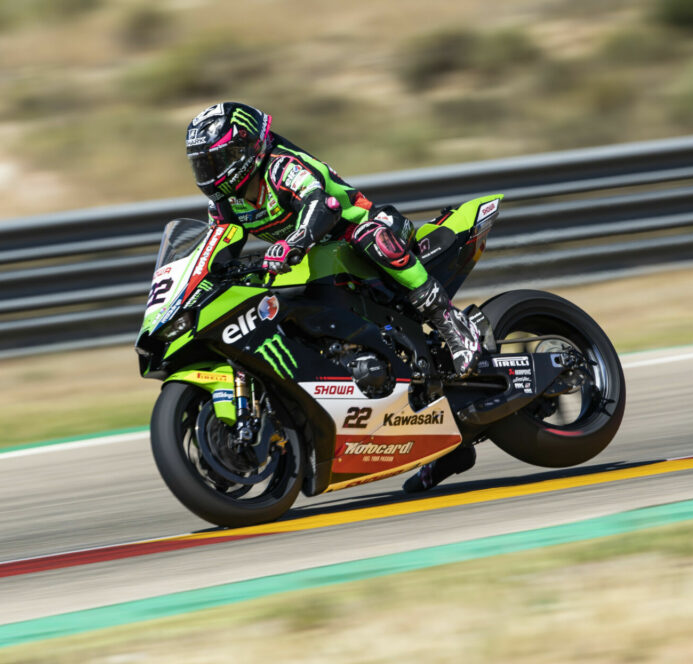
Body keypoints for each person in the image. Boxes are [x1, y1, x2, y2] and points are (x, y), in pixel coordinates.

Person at [185, 102, 480, 491]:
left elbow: (319, 204)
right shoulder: (225, 203)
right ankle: (443, 441)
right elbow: (217, 247)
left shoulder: (281, 166)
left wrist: (296, 241)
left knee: (367, 235)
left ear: (245, 148)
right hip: (315, 262)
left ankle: (450, 322)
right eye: (203, 165)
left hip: (365, 229)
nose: (211, 172)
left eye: (217, 160)